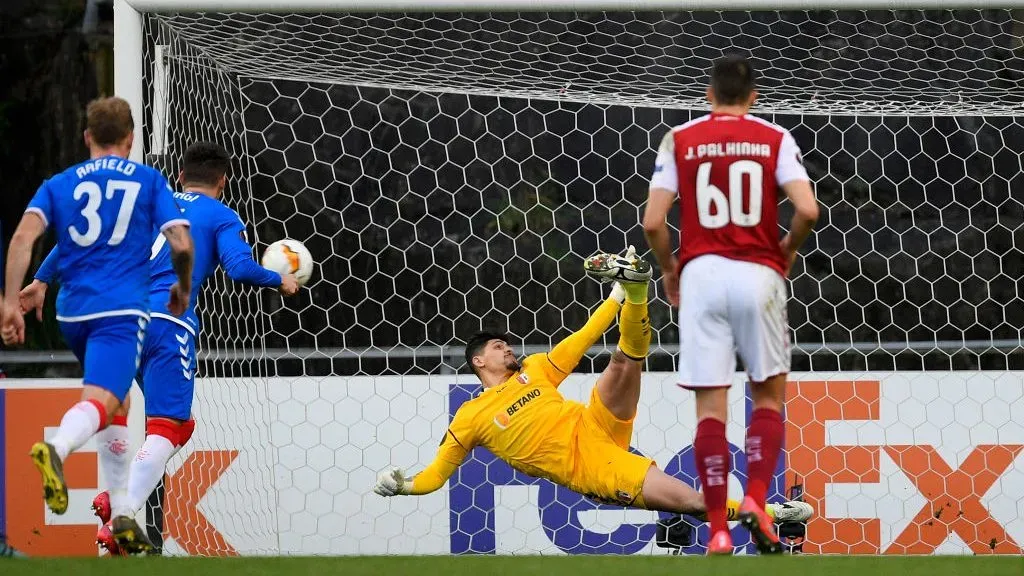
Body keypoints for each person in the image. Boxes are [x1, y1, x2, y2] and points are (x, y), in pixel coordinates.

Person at [373, 247, 813, 531]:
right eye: (496, 345)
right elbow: (434, 477)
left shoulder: (535, 370)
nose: (507, 347)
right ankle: (778, 514)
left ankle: (639, 292)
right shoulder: (469, 417)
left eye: (505, 343)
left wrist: (620, 293)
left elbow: (582, 337)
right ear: (478, 362)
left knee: (625, 359)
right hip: (591, 467)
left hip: (594, 421)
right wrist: (403, 486)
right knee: (694, 503)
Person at [23, 141, 301, 554]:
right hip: (170, 323)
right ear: (223, 180)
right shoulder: (222, 215)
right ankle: (120, 512)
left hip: (126, 323)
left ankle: (107, 498)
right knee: (172, 426)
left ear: (181, 176)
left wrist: (43, 280)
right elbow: (239, 267)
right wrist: (280, 280)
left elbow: (79, 243)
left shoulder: (149, 202)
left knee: (134, 413)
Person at [642, 54, 819, 554]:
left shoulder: (679, 139)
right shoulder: (774, 138)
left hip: (700, 275)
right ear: (754, 96)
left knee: (710, 411)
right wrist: (784, 252)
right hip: (758, 272)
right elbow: (807, 209)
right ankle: (758, 503)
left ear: (707, 95)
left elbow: (654, 221)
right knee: (766, 397)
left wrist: (670, 269)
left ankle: (718, 528)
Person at [1, 96, 194, 521]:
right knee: (104, 399)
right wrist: (181, 287)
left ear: (87, 137)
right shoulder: (147, 180)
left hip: (71, 313)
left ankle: (123, 514)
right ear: (130, 139)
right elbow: (180, 241)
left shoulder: (60, 183)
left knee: (119, 398)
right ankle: (56, 448)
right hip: (119, 311)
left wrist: (12, 300)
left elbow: (22, 240)